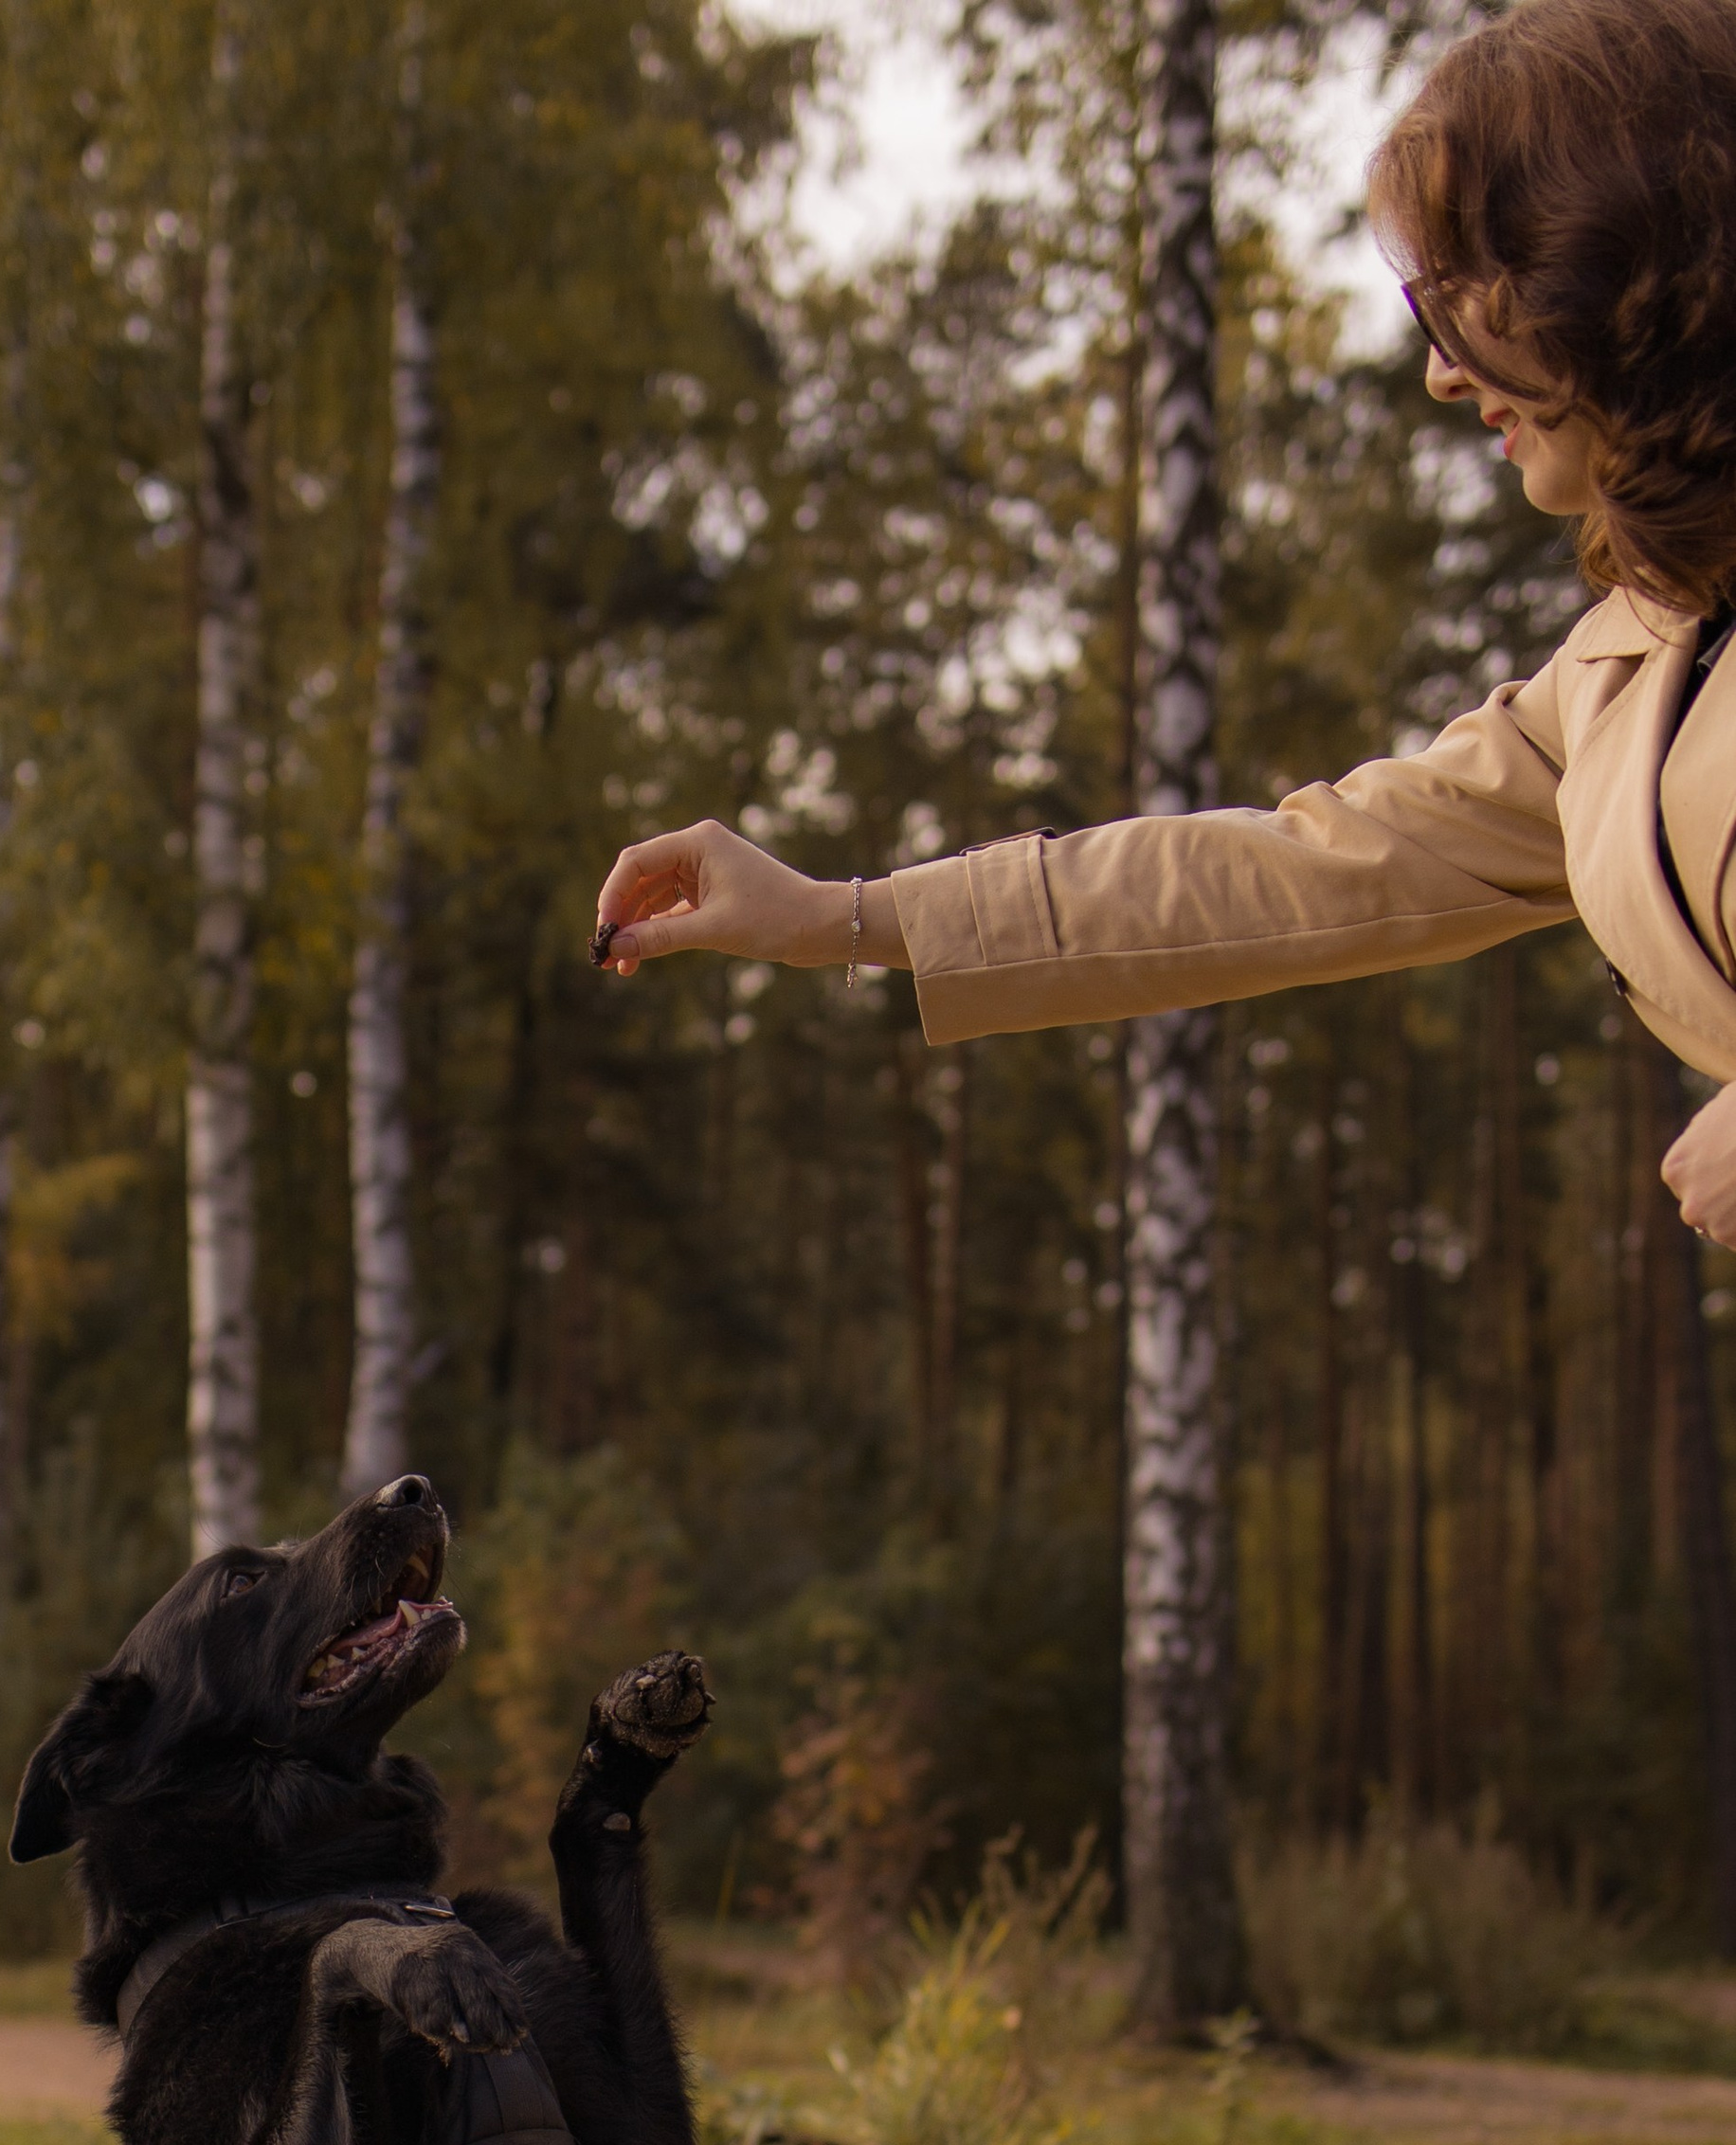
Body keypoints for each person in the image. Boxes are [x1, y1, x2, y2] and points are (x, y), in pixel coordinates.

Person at [591, 0, 1736, 1246]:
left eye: (1458, 301)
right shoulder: (1624, 673)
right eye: (1426, 316)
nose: (1440, 372)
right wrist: (840, 918)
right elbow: (1280, 877)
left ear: (1607, 258)